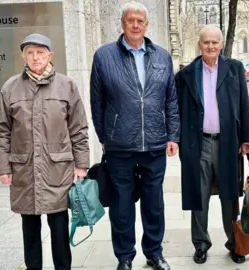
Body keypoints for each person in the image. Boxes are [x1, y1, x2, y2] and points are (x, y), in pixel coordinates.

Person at [89, 2, 180, 270]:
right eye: (131, 20)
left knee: (154, 204)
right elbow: (97, 101)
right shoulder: (104, 56)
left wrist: (172, 135)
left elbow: (171, 101)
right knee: (122, 206)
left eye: (140, 20)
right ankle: (125, 257)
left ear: (147, 25)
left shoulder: (162, 57)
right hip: (120, 146)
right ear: (123, 24)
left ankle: (154, 253)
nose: (136, 25)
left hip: (154, 144)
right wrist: (104, 135)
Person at [0, 33, 89, 270]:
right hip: (25, 170)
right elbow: (1, 131)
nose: (35, 57)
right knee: (30, 229)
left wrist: (82, 164)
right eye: (30, 53)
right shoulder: (10, 88)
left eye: (40, 52)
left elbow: (78, 129)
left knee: (59, 227)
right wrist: (3, 166)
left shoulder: (67, 86)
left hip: (58, 170)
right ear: (23, 56)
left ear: (50, 55)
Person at [174, 25, 249, 265]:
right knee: (199, 197)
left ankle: (235, 244)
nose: (210, 46)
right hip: (198, 144)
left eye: (214, 42)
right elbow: (176, 111)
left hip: (228, 143)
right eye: (206, 42)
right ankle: (201, 244)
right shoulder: (185, 75)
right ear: (200, 44)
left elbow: (244, 106)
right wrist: (179, 142)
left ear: (221, 45)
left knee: (230, 197)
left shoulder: (234, 69)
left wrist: (246, 138)